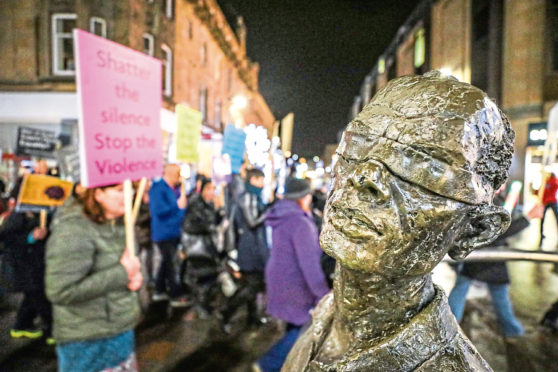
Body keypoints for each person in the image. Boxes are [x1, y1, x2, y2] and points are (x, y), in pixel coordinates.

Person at [284, 71, 515, 371]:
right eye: (356, 147)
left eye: (423, 168)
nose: (365, 175)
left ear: (474, 230)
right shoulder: (324, 316)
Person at [45, 184, 142, 372]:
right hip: (87, 340)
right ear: (98, 194)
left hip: (121, 330)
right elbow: (61, 291)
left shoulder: (122, 224)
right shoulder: (73, 230)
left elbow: (125, 269)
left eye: (131, 188)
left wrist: (135, 278)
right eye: (120, 190)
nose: (129, 194)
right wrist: (122, 273)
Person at [257, 178, 329, 372]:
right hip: (295, 285)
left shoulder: (279, 215)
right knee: (300, 333)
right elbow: (310, 266)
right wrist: (322, 294)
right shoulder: (301, 223)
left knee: (293, 327)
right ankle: (269, 365)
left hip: (279, 278)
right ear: (303, 197)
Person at [448, 191, 527, 339]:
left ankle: (448, 324)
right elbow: (496, 232)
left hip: (477, 254)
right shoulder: (487, 198)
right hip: (486, 256)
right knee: (498, 292)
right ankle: (512, 330)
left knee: (463, 286)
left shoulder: (486, 196)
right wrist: (527, 218)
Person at [220, 168, 268, 330]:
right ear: (253, 180)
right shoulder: (249, 197)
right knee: (250, 286)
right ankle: (227, 312)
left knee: (252, 286)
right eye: (260, 179)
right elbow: (253, 221)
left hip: (252, 247)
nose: (262, 183)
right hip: (250, 249)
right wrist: (270, 211)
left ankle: (252, 318)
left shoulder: (253, 196)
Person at [0, 208, 52, 343]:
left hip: (35, 263)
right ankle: (53, 330)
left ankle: (22, 325)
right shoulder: (18, 215)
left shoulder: (44, 212)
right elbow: (6, 238)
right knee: (40, 295)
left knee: (33, 296)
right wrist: (31, 237)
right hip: (23, 265)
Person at [182, 179, 225, 315]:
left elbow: (215, 220)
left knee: (209, 276)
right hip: (198, 247)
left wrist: (220, 211)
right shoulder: (196, 203)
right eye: (210, 189)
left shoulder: (210, 203)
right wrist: (210, 227)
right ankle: (201, 307)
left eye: (214, 189)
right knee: (203, 277)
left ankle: (205, 304)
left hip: (208, 246)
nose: (212, 192)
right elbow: (191, 225)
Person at [149, 164, 188, 306]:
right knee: (171, 263)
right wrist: (176, 206)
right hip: (163, 232)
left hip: (174, 230)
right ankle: (175, 294)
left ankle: (159, 289)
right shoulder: (158, 189)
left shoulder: (174, 189)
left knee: (167, 261)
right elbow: (158, 211)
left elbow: (180, 210)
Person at [539, 172, 558, 245]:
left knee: (542, 219)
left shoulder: (547, 181)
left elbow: (543, 191)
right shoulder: (555, 181)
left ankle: (541, 233)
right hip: (552, 201)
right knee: (556, 218)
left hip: (546, 202)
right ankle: (541, 234)